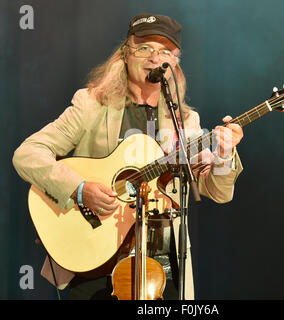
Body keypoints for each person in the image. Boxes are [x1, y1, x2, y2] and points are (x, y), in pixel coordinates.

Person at [12, 13, 244, 300]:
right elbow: (28, 154)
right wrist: (80, 189)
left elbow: (217, 193)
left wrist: (223, 154)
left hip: (163, 268)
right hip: (95, 261)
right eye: (144, 47)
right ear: (125, 53)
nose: (153, 57)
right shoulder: (91, 105)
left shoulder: (186, 121)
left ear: (174, 62)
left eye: (164, 51)